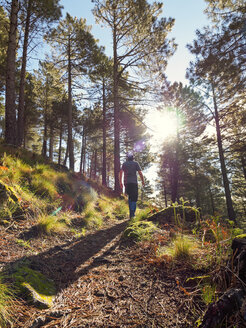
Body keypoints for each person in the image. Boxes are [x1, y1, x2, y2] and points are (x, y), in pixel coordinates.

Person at [119, 153, 145, 218]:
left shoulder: (124, 164)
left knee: (130, 197)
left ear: (127, 158)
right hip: (134, 183)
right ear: (133, 158)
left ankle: (131, 213)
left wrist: (120, 182)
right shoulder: (136, 163)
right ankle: (132, 213)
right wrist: (143, 181)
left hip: (127, 183)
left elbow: (121, 172)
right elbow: (140, 173)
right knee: (134, 198)